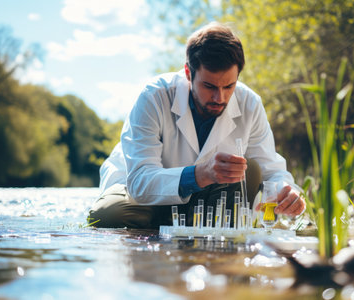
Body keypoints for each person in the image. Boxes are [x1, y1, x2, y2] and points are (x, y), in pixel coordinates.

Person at [88, 22, 306, 228]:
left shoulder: (250, 103)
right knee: (110, 213)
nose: (219, 97)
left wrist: (287, 192)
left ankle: (190, 220)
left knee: (253, 169)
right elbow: (139, 182)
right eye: (209, 86)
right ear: (188, 73)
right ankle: (178, 220)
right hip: (141, 194)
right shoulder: (154, 96)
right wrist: (200, 174)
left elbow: (271, 170)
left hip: (213, 196)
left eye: (229, 85)